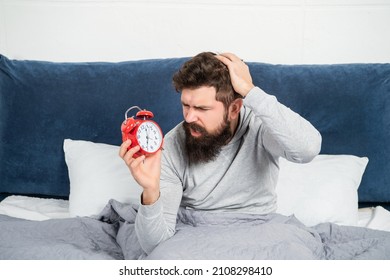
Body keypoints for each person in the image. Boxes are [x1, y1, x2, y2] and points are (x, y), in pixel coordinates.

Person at [119, 52, 322, 255]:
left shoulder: (261, 127)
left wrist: (251, 92)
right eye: (185, 105)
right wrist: (151, 191)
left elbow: (308, 149)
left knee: (297, 257)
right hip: (196, 232)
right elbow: (154, 245)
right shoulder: (171, 145)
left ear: (234, 109)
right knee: (163, 259)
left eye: (201, 108)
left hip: (259, 228)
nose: (189, 118)